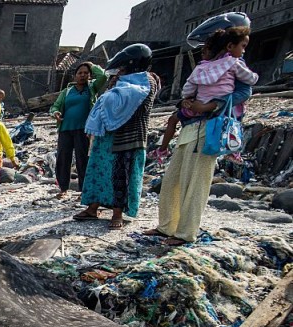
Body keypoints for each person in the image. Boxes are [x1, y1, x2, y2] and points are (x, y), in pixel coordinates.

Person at [144, 26, 256, 246]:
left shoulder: (235, 68)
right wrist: (186, 103)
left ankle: (185, 233)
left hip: (210, 129)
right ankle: (166, 226)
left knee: (196, 184)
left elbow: (245, 92)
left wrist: (211, 105)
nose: (243, 51)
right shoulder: (205, 69)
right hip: (189, 129)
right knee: (172, 180)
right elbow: (189, 93)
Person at [74, 44, 159, 231]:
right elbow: (107, 98)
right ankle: (92, 207)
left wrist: (112, 92)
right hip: (107, 135)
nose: (119, 71)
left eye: (123, 67)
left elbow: (125, 98)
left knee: (122, 174)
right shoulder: (119, 80)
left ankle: (117, 213)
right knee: (97, 170)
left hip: (128, 137)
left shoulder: (146, 81)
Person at [151, 27, 258, 163]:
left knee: (173, 119)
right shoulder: (234, 64)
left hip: (198, 109)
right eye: (243, 47)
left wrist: (188, 100)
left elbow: (187, 90)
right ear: (230, 46)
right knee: (234, 120)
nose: (243, 51)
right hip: (221, 110)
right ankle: (234, 151)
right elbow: (251, 80)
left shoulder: (201, 68)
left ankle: (162, 150)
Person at [49, 61, 108, 198]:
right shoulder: (67, 91)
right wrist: (56, 113)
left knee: (83, 159)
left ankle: (83, 190)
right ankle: (63, 189)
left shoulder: (92, 88)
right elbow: (55, 106)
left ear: (90, 75)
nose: (82, 75)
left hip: (84, 130)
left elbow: (103, 76)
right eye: (79, 73)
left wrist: (92, 65)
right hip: (65, 129)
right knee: (64, 158)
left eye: (86, 73)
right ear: (74, 76)